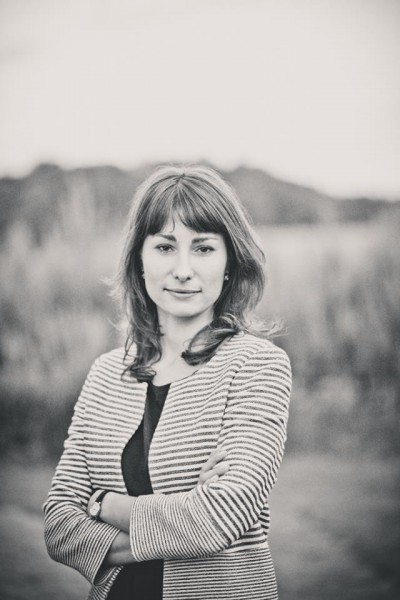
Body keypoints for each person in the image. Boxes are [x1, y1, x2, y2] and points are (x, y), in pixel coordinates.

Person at [43, 165, 292, 600]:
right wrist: (183, 514)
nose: (182, 269)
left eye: (203, 248)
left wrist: (103, 504)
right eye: (164, 246)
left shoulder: (257, 366)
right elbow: (59, 527)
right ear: (139, 260)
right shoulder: (105, 375)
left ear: (230, 262)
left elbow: (218, 519)